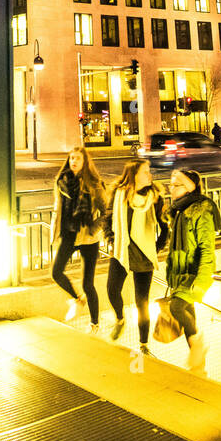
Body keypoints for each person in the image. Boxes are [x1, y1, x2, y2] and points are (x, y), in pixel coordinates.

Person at [104, 160, 167, 353]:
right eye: (145, 172)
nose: (150, 175)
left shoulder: (155, 197)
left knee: (142, 302)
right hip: (122, 249)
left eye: (149, 171)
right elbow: (108, 217)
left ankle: (143, 344)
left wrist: (155, 248)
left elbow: (165, 227)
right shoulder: (119, 194)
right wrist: (112, 238)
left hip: (144, 253)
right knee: (112, 289)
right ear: (134, 175)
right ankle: (120, 319)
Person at [164, 169, 220, 371]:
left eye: (176, 185)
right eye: (170, 184)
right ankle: (198, 365)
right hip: (181, 272)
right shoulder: (180, 210)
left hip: (194, 274)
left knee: (177, 307)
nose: (171, 188)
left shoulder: (201, 210)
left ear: (189, 187)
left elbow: (207, 247)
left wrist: (202, 280)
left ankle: (198, 346)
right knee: (188, 313)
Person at [50, 145, 107, 330]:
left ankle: (95, 323)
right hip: (69, 233)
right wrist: (55, 231)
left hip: (88, 237)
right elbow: (58, 209)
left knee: (88, 284)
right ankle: (77, 299)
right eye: (71, 157)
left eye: (78, 158)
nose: (74, 161)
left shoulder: (94, 184)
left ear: (85, 162)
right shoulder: (62, 181)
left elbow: (107, 211)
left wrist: (95, 227)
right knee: (56, 272)